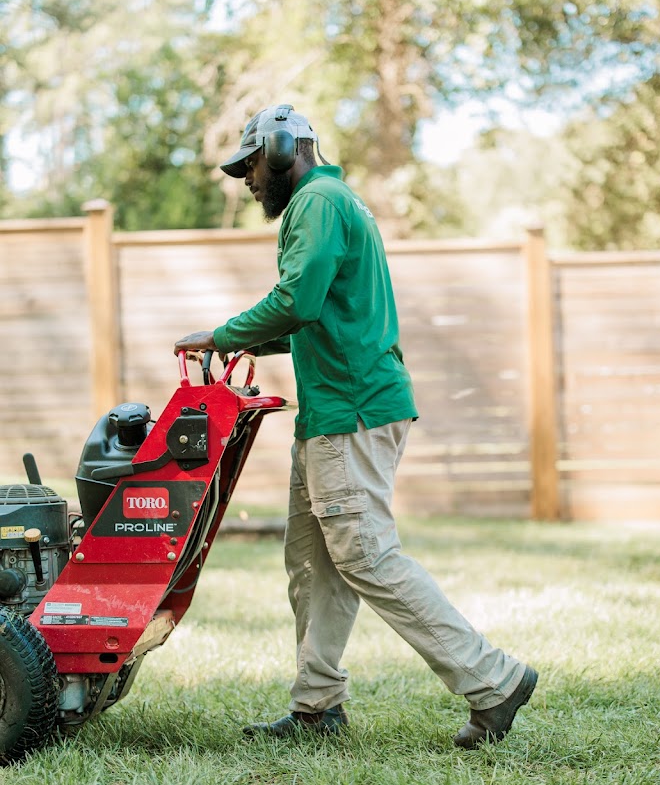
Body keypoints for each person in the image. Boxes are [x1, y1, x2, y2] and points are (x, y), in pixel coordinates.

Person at [175, 104, 538, 749]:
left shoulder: (316, 202)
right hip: (332, 410)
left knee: (365, 554)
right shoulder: (335, 202)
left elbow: (297, 300)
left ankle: (493, 679)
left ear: (284, 149)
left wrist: (223, 334)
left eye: (251, 165)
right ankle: (317, 707)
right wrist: (248, 343)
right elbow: (322, 314)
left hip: (352, 410)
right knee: (312, 561)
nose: (248, 180)